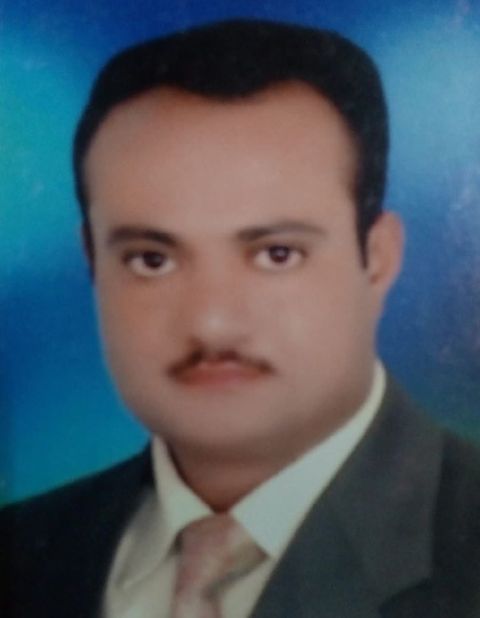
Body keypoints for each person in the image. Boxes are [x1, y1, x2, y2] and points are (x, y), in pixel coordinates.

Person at [1, 18, 479, 618]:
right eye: (152, 260)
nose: (213, 324)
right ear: (92, 262)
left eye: (277, 254)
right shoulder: (20, 552)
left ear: (378, 258)